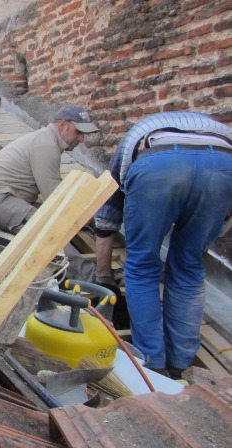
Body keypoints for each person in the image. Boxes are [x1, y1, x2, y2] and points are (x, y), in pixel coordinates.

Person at [94, 112, 232, 379]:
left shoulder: (134, 137)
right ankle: (182, 363)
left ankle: (153, 363)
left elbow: (108, 212)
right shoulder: (217, 129)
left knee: (142, 266)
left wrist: (103, 276)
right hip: (222, 165)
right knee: (190, 266)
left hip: (158, 166)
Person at [0, 103, 100, 281]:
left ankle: (71, 274)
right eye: (78, 132)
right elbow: (56, 199)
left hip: (2, 201)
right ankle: (90, 277)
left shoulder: (47, 141)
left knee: (45, 219)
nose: (81, 139)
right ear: (63, 125)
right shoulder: (46, 145)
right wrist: (91, 220)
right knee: (45, 228)